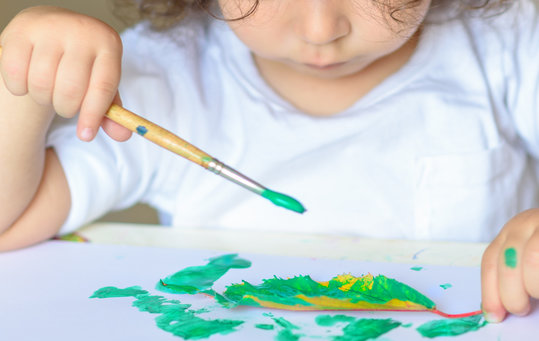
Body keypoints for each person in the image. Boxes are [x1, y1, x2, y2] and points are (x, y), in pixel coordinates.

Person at [0, 0, 537, 323]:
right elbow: (10, 224)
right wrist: (22, 94)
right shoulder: (166, 77)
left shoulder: (503, 38)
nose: (320, 28)